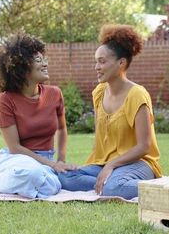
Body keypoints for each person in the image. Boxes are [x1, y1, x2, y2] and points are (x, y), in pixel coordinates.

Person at [0, 33, 77, 198]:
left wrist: (60, 161)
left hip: (45, 161)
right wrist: (52, 165)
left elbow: (62, 129)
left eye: (44, 59)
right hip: (17, 158)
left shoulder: (55, 93)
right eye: (38, 60)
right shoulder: (5, 100)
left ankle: (1, 180)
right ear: (22, 68)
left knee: (51, 184)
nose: (45, 64)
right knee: (37, 176)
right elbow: (14, 148)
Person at [58, 24, 163, 200]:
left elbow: (144, 146)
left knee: (114, 189)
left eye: (102, 61)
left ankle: (159, 189)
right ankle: (108, 183)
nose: (96, 67)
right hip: (103, 163)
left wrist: (112, 165)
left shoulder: (137, 95)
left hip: (139, 163)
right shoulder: (99, 92)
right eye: (96, 61)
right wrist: (106, 166)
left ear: (121, 63)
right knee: (64, 176)